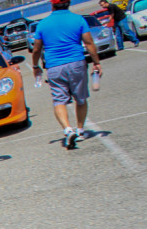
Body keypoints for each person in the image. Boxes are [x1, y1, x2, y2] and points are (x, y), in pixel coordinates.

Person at [31, 0, 102, 150]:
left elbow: (36, 49)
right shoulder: (78, 19)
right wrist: (96, 62)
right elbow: (89, 43)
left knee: (59, 100)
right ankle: (81, 130)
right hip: (76, 62)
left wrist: (36, 66)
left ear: (52, 5)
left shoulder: (42, 24)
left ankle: (67, 129)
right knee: (80, 98)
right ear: (68, 3)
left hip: (54, 66)